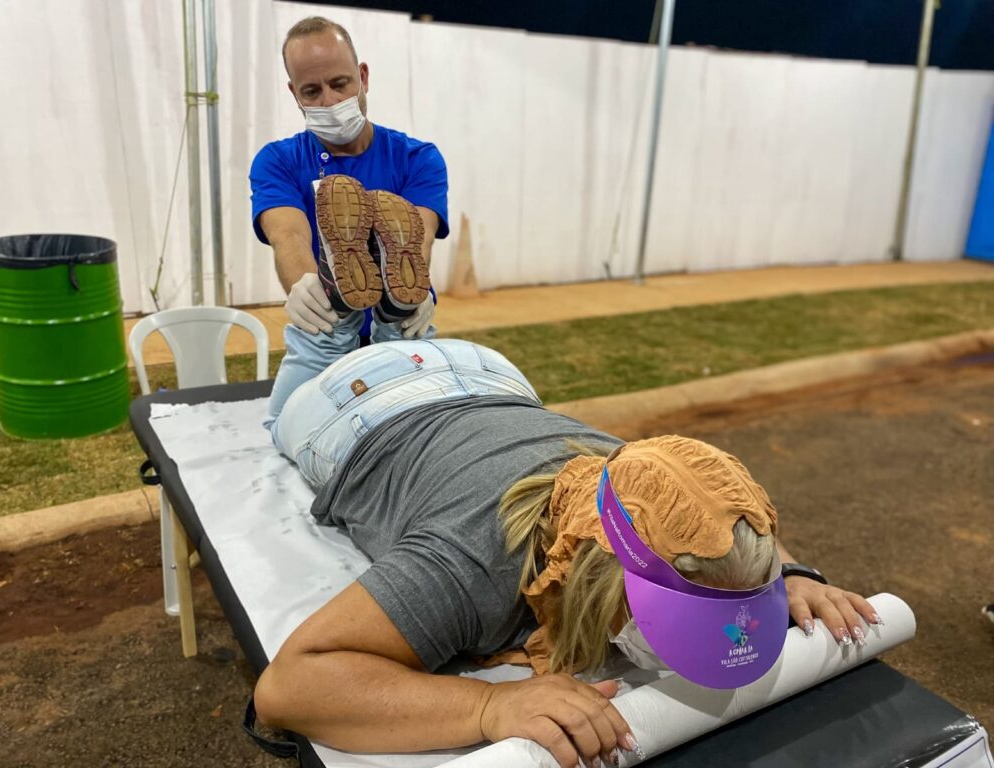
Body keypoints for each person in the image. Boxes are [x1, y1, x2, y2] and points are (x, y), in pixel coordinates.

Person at [255, 339, 882, 768]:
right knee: (315, 347)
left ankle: (390, 313)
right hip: (356, 407)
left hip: (490, 376)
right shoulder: (473, 559)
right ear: (592, 572)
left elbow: (716, 514)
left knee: (379, 304)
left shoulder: (641, 477)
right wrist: (488, 707)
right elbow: (288, 687)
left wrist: (781, 578)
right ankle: (325, 332)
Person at [250, 16, 448, 344]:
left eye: (340, 84)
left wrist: (414, 290)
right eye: (311, 91)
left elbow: (418, 238)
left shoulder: (417, 158)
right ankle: (339, 302)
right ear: (294, 93)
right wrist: (304, 286)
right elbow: (288, 235)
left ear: (363, 77)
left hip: (402, 330)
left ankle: (397, 308)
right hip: (325, 326)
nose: (329, 101)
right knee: (324, 336)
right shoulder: (277, 161)